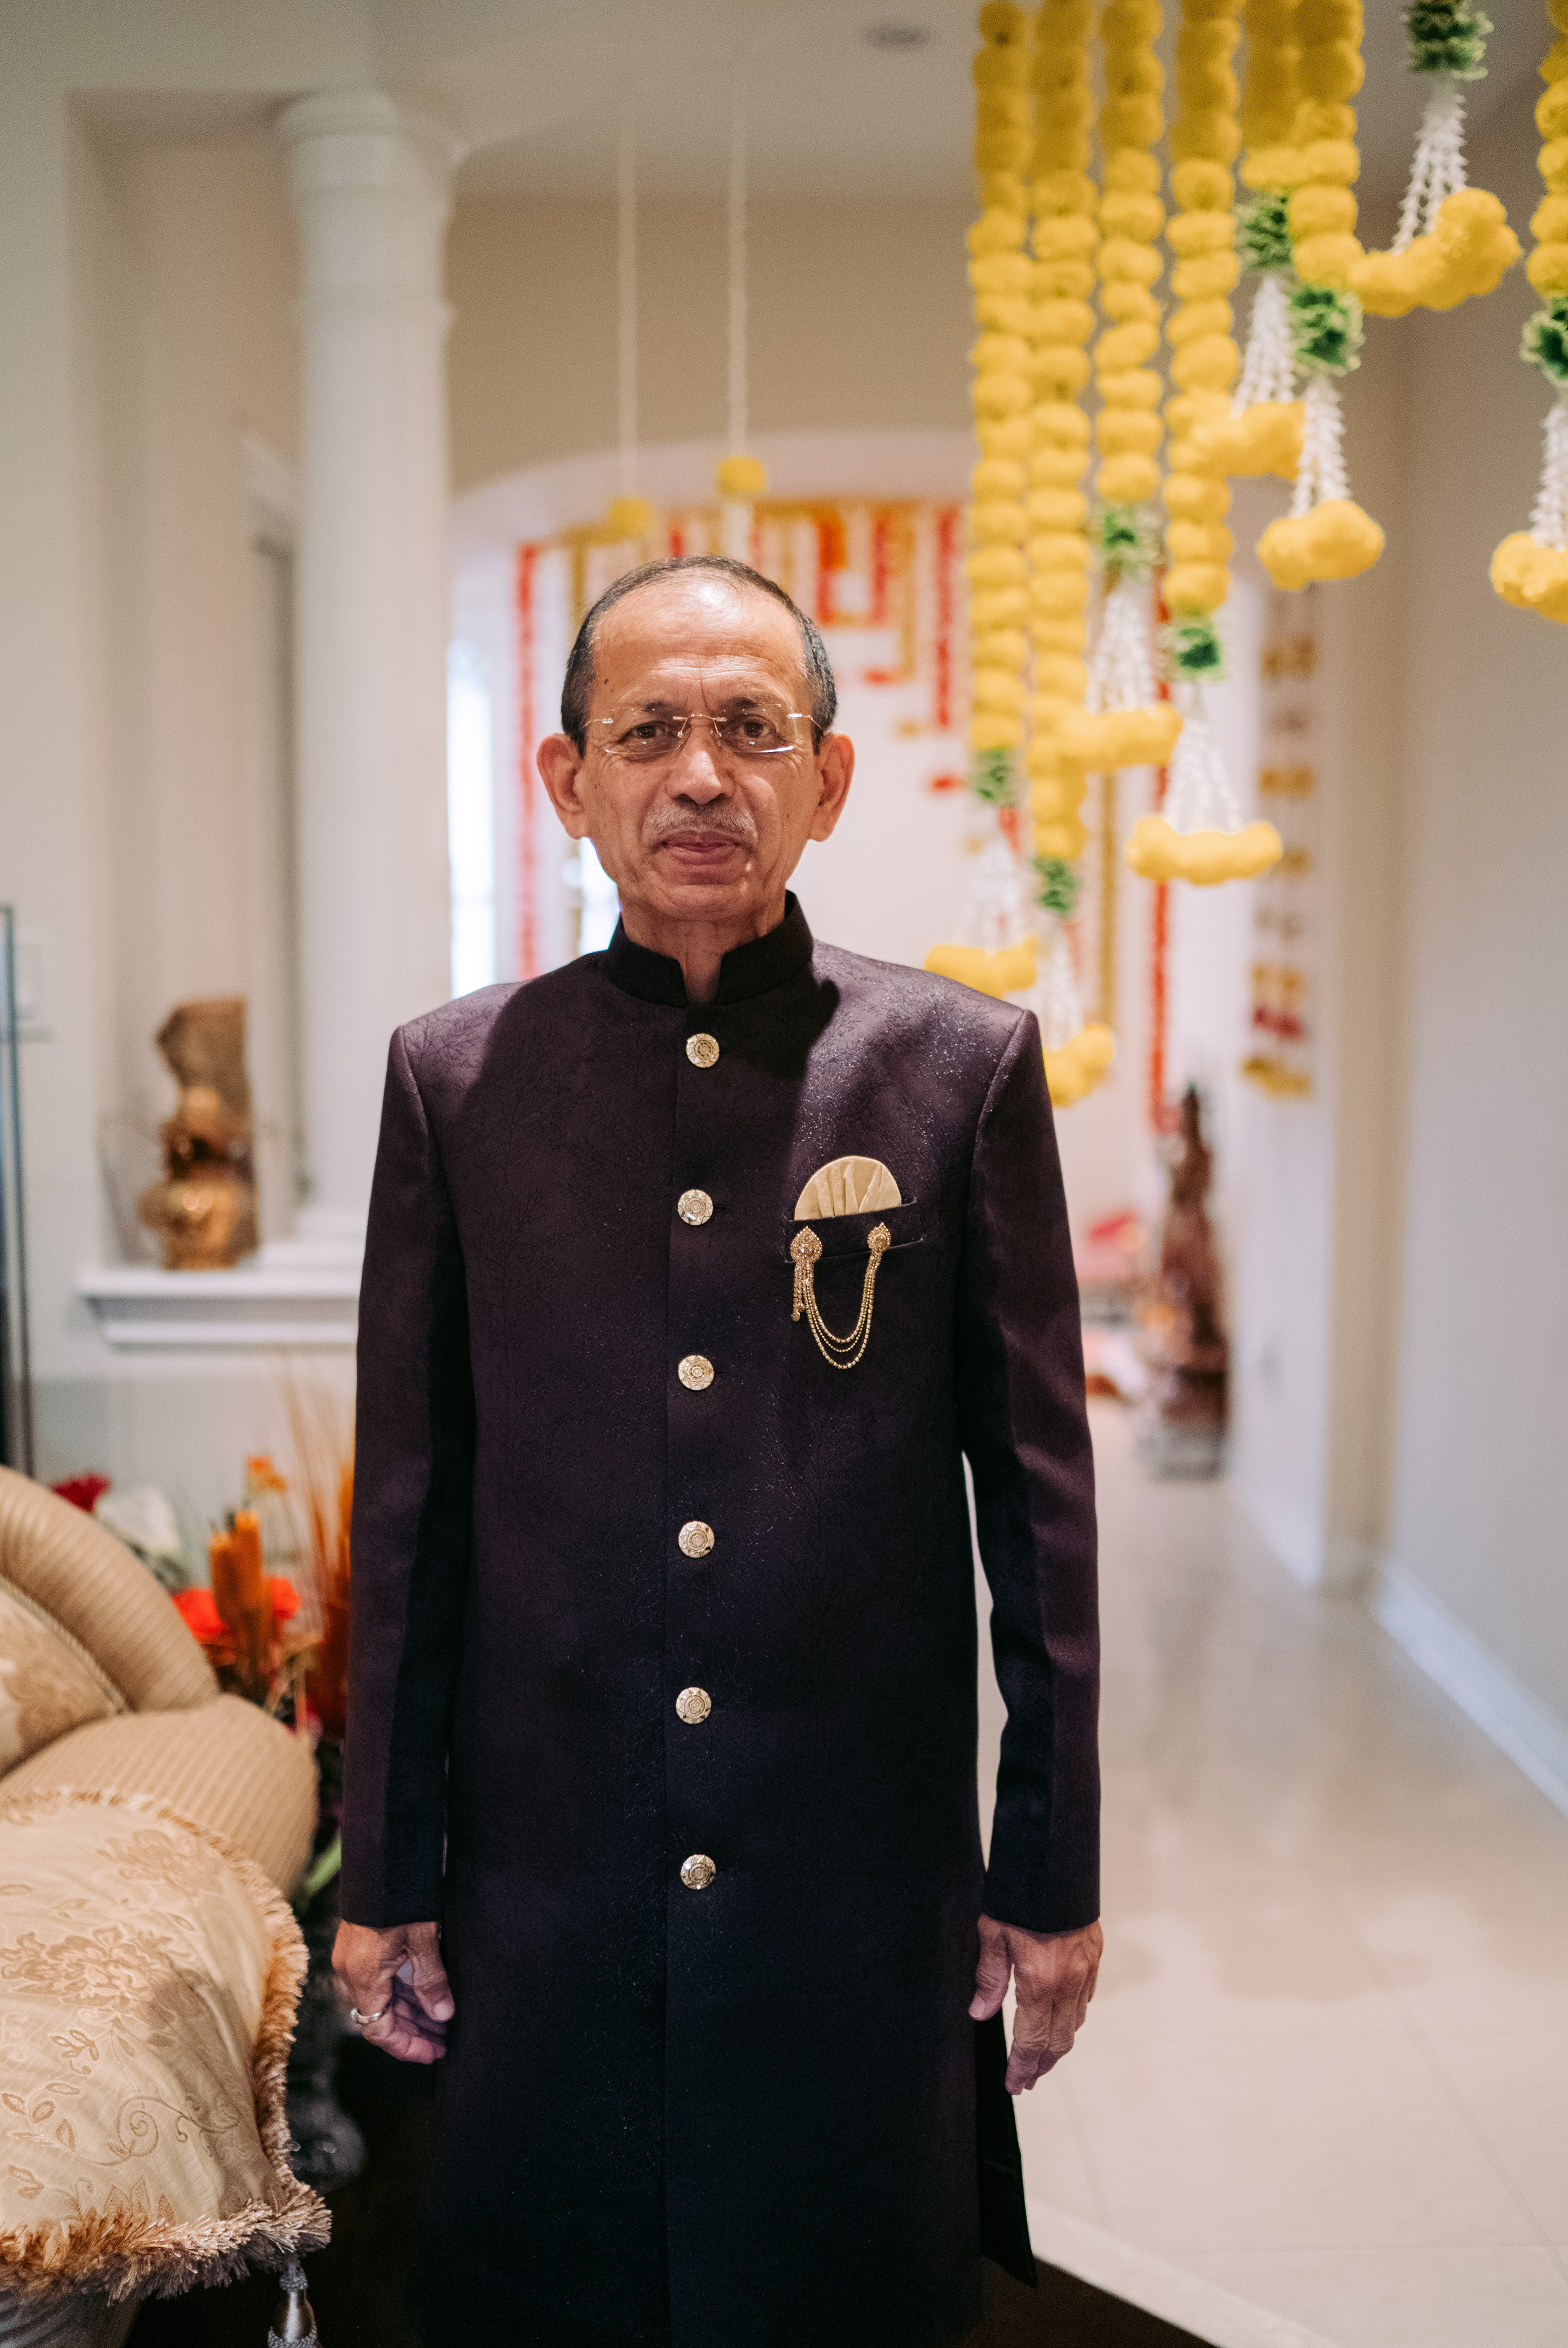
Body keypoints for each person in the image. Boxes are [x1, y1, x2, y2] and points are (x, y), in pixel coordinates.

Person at [335, 554, 1102, 2348]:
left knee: (844, 2291)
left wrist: (1048, 1876)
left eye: (752, 730)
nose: (700, 776)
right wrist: (387, 1880)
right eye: (648, 732)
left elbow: (1040, 1519)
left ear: (826, 781)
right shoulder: (457, 1082)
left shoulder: (956, 1067)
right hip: (549, 1863)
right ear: (566, 779)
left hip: (854, 1870)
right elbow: (409, 1516)